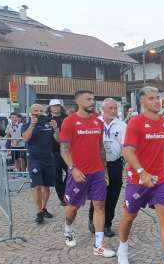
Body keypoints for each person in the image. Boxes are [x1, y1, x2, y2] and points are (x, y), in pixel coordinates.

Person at [117, 86, 164, 264]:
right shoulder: (135, 123)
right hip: (138, 179)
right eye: (151, 98)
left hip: (159, 180)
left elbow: (163, 150)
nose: (156, 101)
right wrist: (141, 172)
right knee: (129, 216)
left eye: (158, 97)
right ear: (142, 101)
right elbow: (127, 151)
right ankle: (122, 248)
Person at [59, 89, 115, 258]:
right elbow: (64, 150)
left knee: (99, 206)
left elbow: (101, 149)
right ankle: (68, 229)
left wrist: (104, 171)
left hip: (97, 172)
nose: (92, 102)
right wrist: (73, 169)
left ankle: (98, 245)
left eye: (93, 99)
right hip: (78, 173)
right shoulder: (69, 121)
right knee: (72, 210)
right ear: (79, 102)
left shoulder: (98, 123)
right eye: (88, 99)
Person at [88, 98, 126, 238]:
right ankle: (93, 219)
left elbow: (125, 145)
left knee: (113, 194)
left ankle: (107, 223)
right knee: (98, 194)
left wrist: (127, 163)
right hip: (97, 164)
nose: (114, 111)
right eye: (110, 108)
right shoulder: (94, 123)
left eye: (115, 108)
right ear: (102, 110)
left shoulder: (122, 125)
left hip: (114, 163)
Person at [21, 104, 59, 224]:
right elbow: (26, 139)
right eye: (36, 110)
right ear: (31, 112)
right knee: (37, 186)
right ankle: (38, 212)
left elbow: (58, 139)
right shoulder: (26, 125)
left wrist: (56, 128)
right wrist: (32, 125)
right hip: (34, 159)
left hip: (48, 158)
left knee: (46, 186)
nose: (39, 112)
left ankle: (43, 208)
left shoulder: (48, 123)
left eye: (41, 110)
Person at [47, 99, 68, 206]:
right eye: (54, 106)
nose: (56, 108)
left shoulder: (66, 118)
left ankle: (67, 193)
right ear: (50, 108)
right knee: (57, 176)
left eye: (58, 106)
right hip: (53, 151)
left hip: (66, 150)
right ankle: (62, 198)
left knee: (71, 172)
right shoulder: (47, 119)